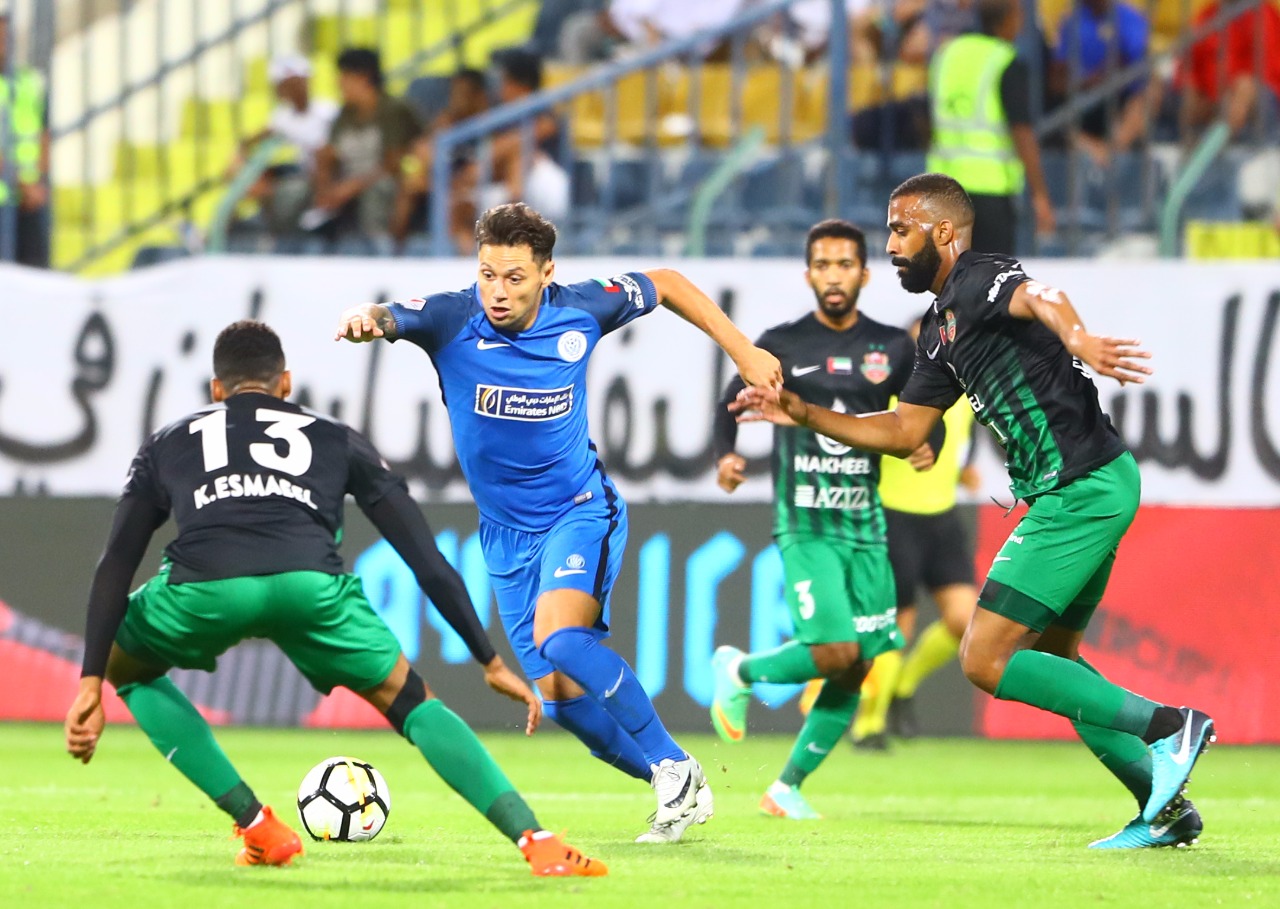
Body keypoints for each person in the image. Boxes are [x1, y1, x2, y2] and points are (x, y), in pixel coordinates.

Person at [733, 172, 1215, 849]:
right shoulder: (939, 331)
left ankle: (1171, 726)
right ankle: (1162, 810)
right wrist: (803, 411)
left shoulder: (980, 277)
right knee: (1053, 660)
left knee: (984, 658)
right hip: (1087, 485)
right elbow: (903, 430)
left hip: (1079, 488)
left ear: (944, 232)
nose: (891, 245)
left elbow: (1043, 296)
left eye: (901, 229)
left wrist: (1078, 338)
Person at [63, 320, 605, 877]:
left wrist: (90, 682)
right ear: (286, 383)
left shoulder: (168, 442)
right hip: (313, 589)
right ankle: (536, 841)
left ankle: (257, 826)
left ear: (216, 389)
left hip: (207, 588)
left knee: (126, 667)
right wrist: (487, 658)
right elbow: (426, 558)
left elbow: (116, 563)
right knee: (411, 701)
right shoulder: (335, 437)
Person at [335, 202, 783, 843]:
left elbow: (668, 283)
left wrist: (743, 350)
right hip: (504, 534)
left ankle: (674, 764)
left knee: (562, 639)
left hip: (579, 510)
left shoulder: (581, 309)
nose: (497, 291)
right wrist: (367, 319)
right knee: (563, 703)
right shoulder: (451, 317)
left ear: (547, 273)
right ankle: (675, 784)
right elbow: (390, 315)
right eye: (488, 274)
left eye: (515, 277)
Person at [708, 219, 936, 820]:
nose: (834, 276)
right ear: (809, 274)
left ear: (865, 274)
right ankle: (740, 669)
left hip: (866, 526)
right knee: (835, 651)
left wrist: (927, 443)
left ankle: (787, 787)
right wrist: (726, 455)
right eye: (823, 265)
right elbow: (731, 400)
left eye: (845, 265)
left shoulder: (894, 347)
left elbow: (923, 411)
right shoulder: (781, 344)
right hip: (806, 521)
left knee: (857, 663)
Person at [851, 365, 980, 748]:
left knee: (965, 620)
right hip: (894, 516)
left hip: (943, 519)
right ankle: (868, 725)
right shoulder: (895, 388)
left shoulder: (966, 391)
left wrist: (962, 471)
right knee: (898, 627)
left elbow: (956, 445)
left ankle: (903, 685)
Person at [926, 0, 1055, 253]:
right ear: (1007, 20)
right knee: (990, 274)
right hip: (991, 192)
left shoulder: (946, 54)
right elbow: (1022, 133)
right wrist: (1040, 195)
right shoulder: (1004, 61)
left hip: (944, 190)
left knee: (951, 274)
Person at [310, 48, 421, 252]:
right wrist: (325, 186)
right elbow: (329, 155)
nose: (339, 83)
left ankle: (382, 250)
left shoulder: (393, 110)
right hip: (348, 182)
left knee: (376, 192)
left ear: (363, 77)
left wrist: (351, 187)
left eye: (344, 76)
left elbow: (393, 164)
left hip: (389, 181)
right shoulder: (344, 115)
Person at [230, 55, 339, 239]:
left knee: (321, 156)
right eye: (286, 85)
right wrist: (238, 161)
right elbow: (248, 142)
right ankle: (223, 233)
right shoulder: (281, 117)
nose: (293, 89)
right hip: (303, 172)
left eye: (296, 82)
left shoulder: (329, 110)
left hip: (329, 172)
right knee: (255, 180)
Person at [1048, 0, 1157, 167]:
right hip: (1080, 99)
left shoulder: (1129, 18)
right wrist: (1088, 81)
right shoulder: (1071, 21)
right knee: (1052, 111)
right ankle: (1095, 151)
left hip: (1119, 96)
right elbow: (1058, 75)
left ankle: (1116, 148)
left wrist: (1110, 76)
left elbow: (1138, 67)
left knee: (1152, 90)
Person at [0, 12, 50, 268]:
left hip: (31, 198)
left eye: (6, 36)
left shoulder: (30, 81)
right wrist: (21, 182)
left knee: (35, 274)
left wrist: (39, 182)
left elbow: (43, 133)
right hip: (7, 195)